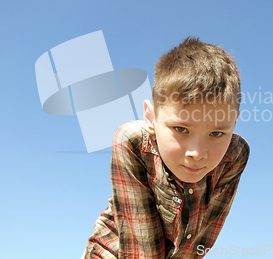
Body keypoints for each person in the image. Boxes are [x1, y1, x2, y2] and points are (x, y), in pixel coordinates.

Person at [83, 37, 250, 258]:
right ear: (151, 118)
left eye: (217, 133)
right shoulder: (132, 142)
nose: (197, 153)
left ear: (234, 122)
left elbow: (203, 236)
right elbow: (140, 244)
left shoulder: (235, 155)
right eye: (181, 129)